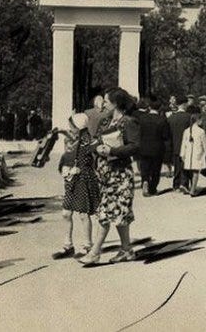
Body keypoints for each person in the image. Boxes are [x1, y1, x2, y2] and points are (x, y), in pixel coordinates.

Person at [80, 88, 142, 266]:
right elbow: (97, 140)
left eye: (106, 101)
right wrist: (95, 147)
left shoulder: (129, 122)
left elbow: (135, 146)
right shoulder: (106, 120)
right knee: (119, 213)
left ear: (116, 103)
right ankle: (127, 250)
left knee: (105, 213)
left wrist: (112, 151)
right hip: (105, 174)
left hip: (120, 175)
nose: (103, 103)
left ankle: (94, 253)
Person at [52, 113, 100, 259]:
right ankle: (68, 245)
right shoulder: (75, 138)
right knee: (66, 213)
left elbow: (91, 157)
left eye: (72, 126)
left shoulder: (87, 141)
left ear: (78, 127)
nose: (70, 128)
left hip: (83, 179)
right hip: (72, 179)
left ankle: (87, 245)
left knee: (83, 214)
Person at [135, 95, 171, 196]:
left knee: (145, 167)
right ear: (159, 108)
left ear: (149, 107)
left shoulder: (142, 119)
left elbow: (139, 133)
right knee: (156, 169)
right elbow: (166, 136)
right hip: (157, 148)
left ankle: (145, 181)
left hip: (144, 147)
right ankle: (153, 188)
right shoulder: (162, 120)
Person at [179, 104, 206, 196]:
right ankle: (193, 190)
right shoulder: (201, 131)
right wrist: (205, 153)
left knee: (191, 171)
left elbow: (183, 144)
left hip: (188, 154)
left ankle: (192, 187)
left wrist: (182, 155)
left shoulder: (186, 131)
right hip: (198, 153)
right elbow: (204, 144)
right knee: (196, 172)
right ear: (198, 120)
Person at [167, 99, 194, 191]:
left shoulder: (171, 118)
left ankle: (176, 184)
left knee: (177, 165)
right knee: (185, 165)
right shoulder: (189, 117)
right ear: (184, 104)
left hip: (174, 144)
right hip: (186, 145)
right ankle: (184, 183)